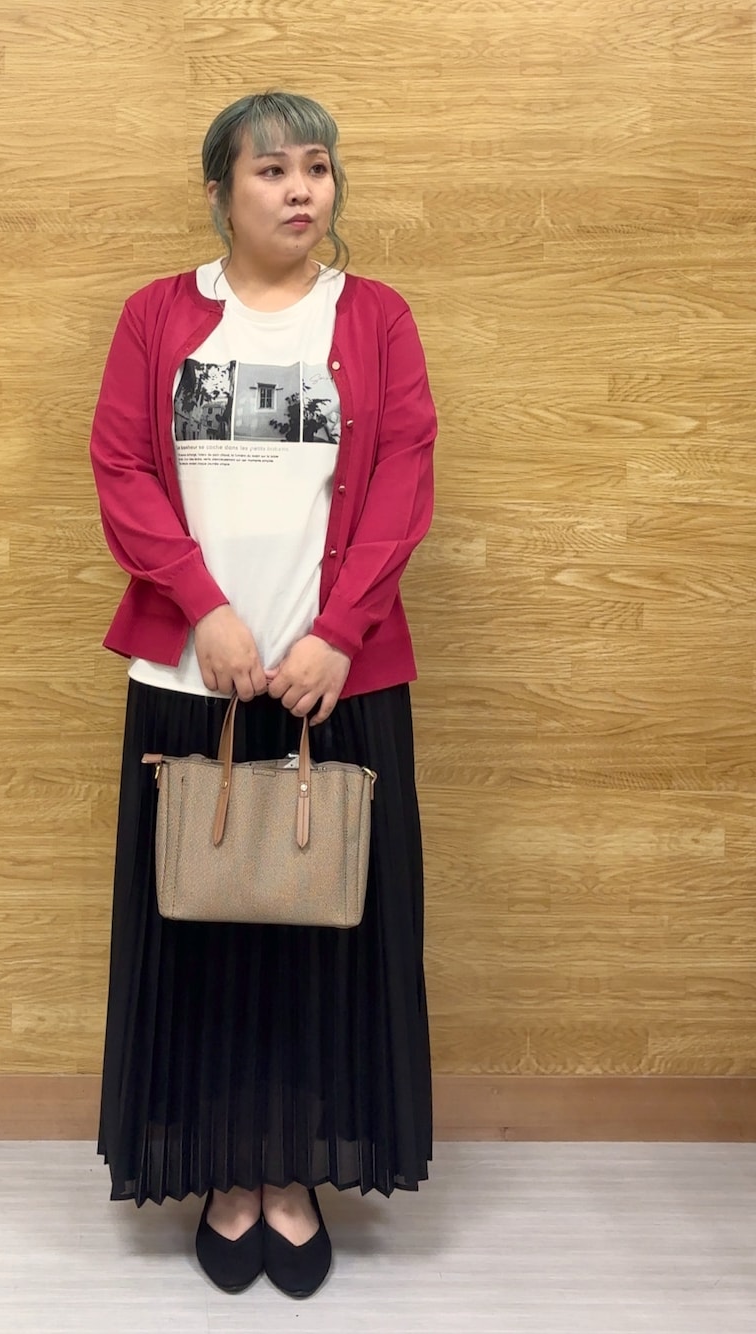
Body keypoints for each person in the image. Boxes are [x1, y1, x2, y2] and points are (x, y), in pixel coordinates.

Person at [88, 90, 437, 1299]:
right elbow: (121, 466)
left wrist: (338, 632)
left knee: (318, 936)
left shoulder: (376, 317)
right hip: (192, 674)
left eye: (317, 169)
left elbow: (402, 479)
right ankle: (224, 1173)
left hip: (336, 681)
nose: (300, 190)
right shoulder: (157, 315)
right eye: (272, 170)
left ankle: (294, 1174)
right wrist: (205, 608)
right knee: (205, 932)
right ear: (219, 190)